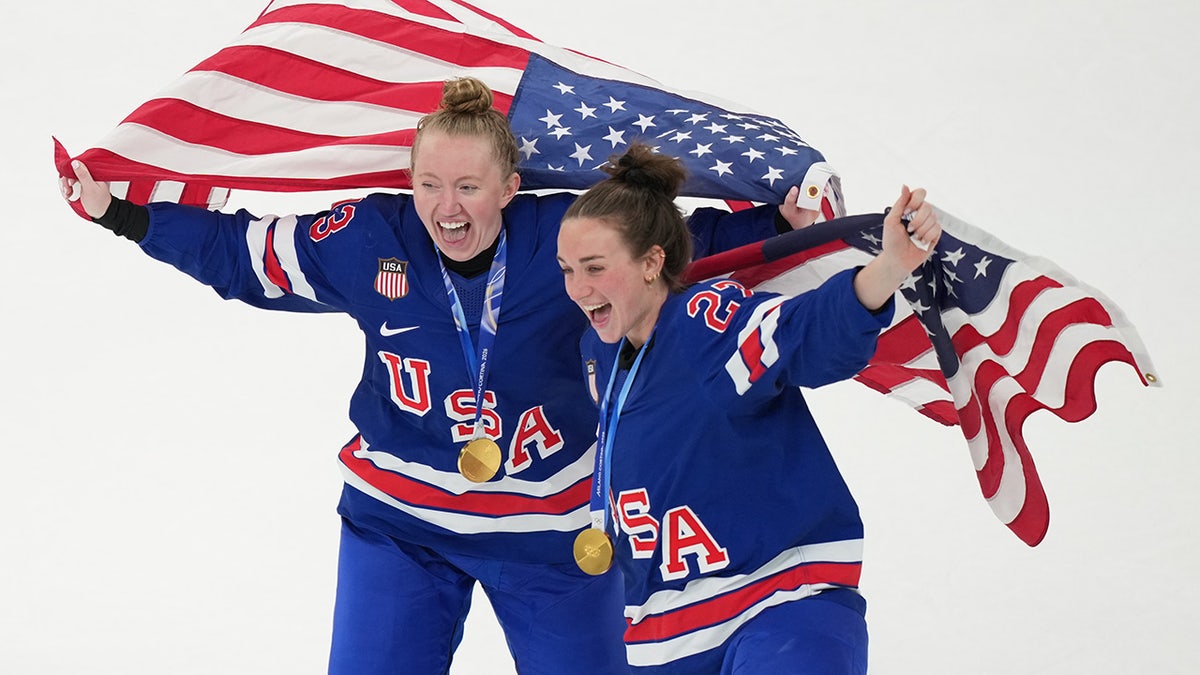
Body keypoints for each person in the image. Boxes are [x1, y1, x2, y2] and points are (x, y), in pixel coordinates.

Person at [59, 78, 822, 674]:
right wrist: (120, 214)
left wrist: (782, 227)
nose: (446, 208)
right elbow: (243, 255)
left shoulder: (567, 236)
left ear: (509, 188)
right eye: (429, 184)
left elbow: (682, 248)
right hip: (399, 526)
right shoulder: (367, 237)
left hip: (554, 537)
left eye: (468, 187)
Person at [555, 142, 941, 674]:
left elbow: (802, 332)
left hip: (778, 602)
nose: (578, 289)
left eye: (594, 268)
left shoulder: (708, 322)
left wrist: (890, 265)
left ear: (651, 262)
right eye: (567, 269)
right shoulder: (599, 350)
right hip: (666, 634)